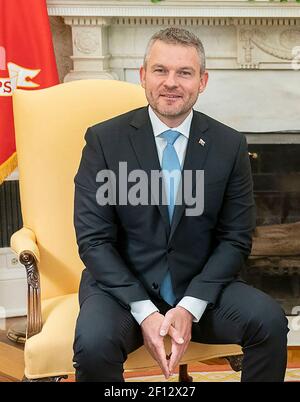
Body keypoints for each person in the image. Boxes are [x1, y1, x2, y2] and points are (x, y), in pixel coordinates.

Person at [73, 27, 289, 382]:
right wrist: (145, 312)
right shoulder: (103, 140)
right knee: (93, 342)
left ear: (202, 81)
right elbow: (94, 240)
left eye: (184, 72)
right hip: (123, 294)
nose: (171, 82)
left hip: (202, 291)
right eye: (160, 70)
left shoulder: (229, 144)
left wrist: (190, 306)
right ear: (143, 76)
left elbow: (236, 237)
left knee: (268, 321)